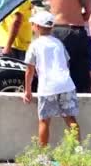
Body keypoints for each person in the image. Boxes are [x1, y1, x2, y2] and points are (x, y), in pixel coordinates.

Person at [19, 0, 91, 93]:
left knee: (56, 71)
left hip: (59, 31)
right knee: (81, 74)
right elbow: (89, 13)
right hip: (79, 32)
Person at [22, 10, 80, 147]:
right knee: (70, 118)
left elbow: (29, 70)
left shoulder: (35, 45)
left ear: (37, 26)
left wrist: (27, 91)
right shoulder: (58, 43)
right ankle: (79, 151)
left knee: (44, 120)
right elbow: (67, 63)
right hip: (66, 85)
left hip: (47, 87)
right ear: (51, 27)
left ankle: (43, 155)